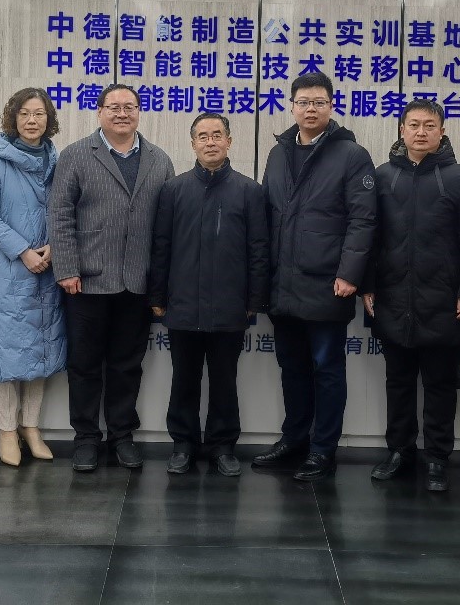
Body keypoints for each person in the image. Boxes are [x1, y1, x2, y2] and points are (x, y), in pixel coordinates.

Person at [253, 72, 377, 482]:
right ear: (291, 106)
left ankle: (323, 449)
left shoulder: (351, 154)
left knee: (327, 369)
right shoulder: (278, 153)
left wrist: (350, 274)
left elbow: (363, 219)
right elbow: (268, 216)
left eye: (319, 102)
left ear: (331, 107)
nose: (311, 109)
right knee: (292, 367)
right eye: (303, 102)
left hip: (327, 282)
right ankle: (294, 439)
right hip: (283, 283)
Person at [48, 83, 175, 472]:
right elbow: (60, 214)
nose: (122, 113)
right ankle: (87, 438)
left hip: (137, 282)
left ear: (139, 112)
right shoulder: (75, 155)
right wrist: (66, 268)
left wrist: (161, 283)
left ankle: (122, 436)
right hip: (86, 281)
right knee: (84, 364)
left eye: (130, 107)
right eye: (114, 107)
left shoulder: (159, 160)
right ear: (100, 111)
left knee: (127, 365)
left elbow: (167, 226)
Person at [364, 99, 460, 491]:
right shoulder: (383, 176)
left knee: (439, 384)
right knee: (397, 382)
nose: (420, 132)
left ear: (442, 131)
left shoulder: (459, 177)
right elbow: (370, 236)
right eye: (413, 124)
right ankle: (399, 451)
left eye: (429, 125)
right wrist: (368, 284)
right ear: (401, 130)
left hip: (443, 299)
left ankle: (437, 458)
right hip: (393, 297)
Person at [149, 112, 269, 477]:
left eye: (217, 135)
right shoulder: (174, 190)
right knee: (183, 379)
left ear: (229, 141)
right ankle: (183, 444)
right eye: (203, 136)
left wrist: (254, 301)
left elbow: (259, 249)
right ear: (193, 144)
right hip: (182, 304)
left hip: (230, 306)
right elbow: (161, 246)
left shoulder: (249, 191)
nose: (210, 142)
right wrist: (157, 296)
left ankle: (223, 446)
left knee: (224, 381)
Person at [0, 88, 66, 467]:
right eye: (25, 113)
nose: (32, 120)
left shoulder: (57, 161)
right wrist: (24, 251)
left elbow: (67, 210)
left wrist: (55, 246)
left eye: (39, 113)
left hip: (48, 268)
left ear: (49, 119)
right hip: (8, 271)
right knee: (6, 354)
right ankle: (7, 432)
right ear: (13, 118)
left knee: (41, 350)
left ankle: (31, 427)